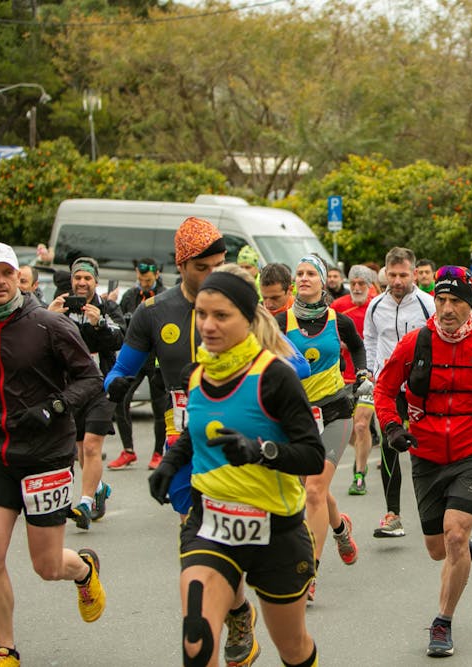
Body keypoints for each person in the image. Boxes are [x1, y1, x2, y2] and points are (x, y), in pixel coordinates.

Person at [147, 265, 325, 667]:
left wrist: (261, 451)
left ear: (247, 318)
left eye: (221, 316)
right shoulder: (197, 374)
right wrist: (168, 465)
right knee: (197, 642)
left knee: (293, 648)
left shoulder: (275, 376)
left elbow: (312, 453)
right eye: (202, 315)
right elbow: (196, 432)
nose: (208, 325)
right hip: (211, 522)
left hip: (275, 529)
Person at [104, 217, 262, 667]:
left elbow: (290, 362)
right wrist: (113, 386)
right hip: (185, 445)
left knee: (225, 541)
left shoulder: (242, 303)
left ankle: (235, 610)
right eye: (202, 266)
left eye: (220, 263)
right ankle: (233, 613)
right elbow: (123, 369)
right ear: (181, 264)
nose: (214, 273)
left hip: (237, 441)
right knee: (203, 539)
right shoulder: (154, 313)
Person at [375, 265, 472, 657]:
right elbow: (384, 391)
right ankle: (463, 549)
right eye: (442, 299)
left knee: (455, 535)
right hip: (426, 452)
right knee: (438, 548)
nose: (447, 309)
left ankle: (442, 622)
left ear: (471, 305)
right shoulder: (416, 344)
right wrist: (392, 427)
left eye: (456, 301)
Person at [0, 243, 106, 667]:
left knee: (47, 565)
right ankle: (6, 648)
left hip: (47, 457)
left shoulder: (47, 324)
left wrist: (53, 407)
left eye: (6, 273)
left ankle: (84, 570)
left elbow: (90, 379)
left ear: (18, 277)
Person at [277, 254, 366, 600]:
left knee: (313, 490)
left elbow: (357, 348)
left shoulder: (338, 321)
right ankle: (340, 527)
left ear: (323, 280)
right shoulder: (279, 320)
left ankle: (307, 573)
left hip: (334, 410)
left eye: (310, 273)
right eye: (298, 273)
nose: (303, 278)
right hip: (296, 416)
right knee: (314, 488)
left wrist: (362, 373)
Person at [47, 256, 124, 530]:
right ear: (71, 280)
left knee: (92, 446)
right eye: (78, 278)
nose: (82, 283)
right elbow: (40, 343)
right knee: (80, 449)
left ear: (95, 281)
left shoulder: (108, 307)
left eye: (87, 278)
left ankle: (85, 503)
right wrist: (48, 316)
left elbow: (121, 338)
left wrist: (99, 323)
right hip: (72, 387)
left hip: (102, 385)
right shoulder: (59, 306)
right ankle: (99, 488)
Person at [364, 247, 435, 537]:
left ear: (414, 274)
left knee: (427, 446)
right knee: (388, 445)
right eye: (391, 275)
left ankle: (439, 511)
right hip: (388, 387)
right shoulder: (375, 305)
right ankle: (393, 514)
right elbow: (369, 338)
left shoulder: (428, 304)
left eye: (403, 275)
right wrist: (370, 371)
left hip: (420, 386)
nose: (396, 281)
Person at [110, 258, 169, 471]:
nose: (144, 282)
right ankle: (128, 451)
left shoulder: (164, 295)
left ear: (156, 275)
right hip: (136, 357)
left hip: (156, 359)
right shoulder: (130, 296)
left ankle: (158, 453)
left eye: (148, 279)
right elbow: (120, 323)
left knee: (159, 407)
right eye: (141, 278)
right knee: (121, 399)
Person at [330, 265, 378, 495]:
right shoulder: (338, 307)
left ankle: (359, 475)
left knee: (361, 424)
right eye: (354, 283)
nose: (357, 287)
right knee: (349, 429)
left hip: (368, 376)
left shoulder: (377, 305)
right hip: (341, 377)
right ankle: (364, 449)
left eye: (362, 284)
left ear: (370, 286)